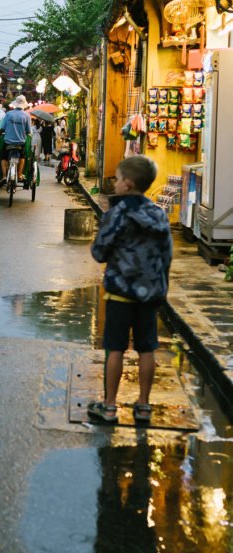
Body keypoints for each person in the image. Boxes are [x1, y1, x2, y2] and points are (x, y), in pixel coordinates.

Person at [88, 155, 173, 427]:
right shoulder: (158, 213)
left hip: (120, 292)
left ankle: (110, 406)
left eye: (117, 177)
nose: (114, 183)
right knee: (147, 348)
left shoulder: (117, 213)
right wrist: (160, 287)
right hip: (149, 293)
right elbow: (167, 255)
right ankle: (144, 406)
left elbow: (99, 252)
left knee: (115, 348)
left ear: (127, 183)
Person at [0, 94, 32, 185]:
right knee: (22, 157)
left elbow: (2, 128)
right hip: (21, 143)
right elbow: (29, 131)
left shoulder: (8, 114)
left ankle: (4, 176)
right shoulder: (27, 116)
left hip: (8, 142)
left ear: (15, 104)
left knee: (4, 158)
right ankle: (20, 174)